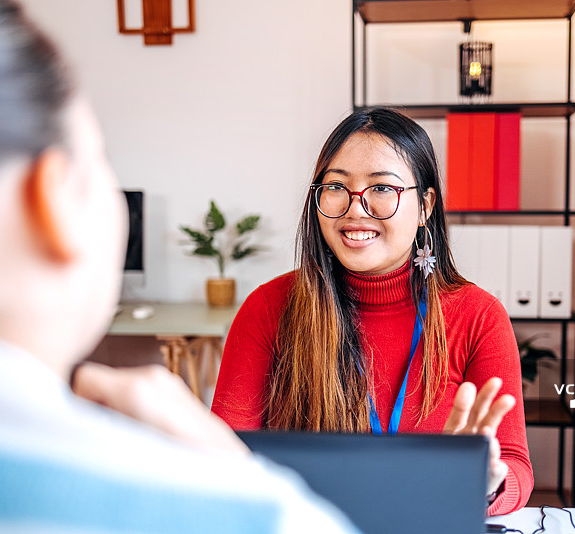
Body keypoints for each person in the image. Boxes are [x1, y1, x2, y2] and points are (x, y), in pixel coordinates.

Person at [0, 1, 358, 532]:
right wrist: (232, 473)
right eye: (101, 159)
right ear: (52, 202)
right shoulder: (240, 511)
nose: (357, 208)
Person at [211, 107, 534, 515]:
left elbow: (516, 467)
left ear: (425, 207)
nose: (355, 208)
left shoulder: (478, 315)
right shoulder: (268, 307)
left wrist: (482, 483)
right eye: (336, 186)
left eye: (382, 188)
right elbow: (224, 452)